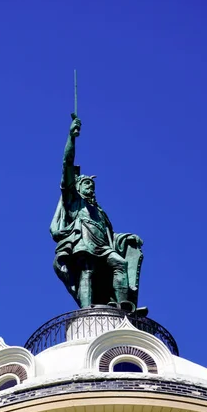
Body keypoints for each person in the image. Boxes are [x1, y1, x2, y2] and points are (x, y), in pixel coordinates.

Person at [50, 116, 143, 310]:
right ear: (77, 187)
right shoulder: (74, 201)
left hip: (103, 247)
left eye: (92, 186)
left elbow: (111, 236)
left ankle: (121, 304)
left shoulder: (100, 212)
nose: (90, 189)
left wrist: (126, 238)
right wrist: (71, 137)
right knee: (87, 271)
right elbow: (67, 163)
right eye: (86, 185)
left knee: (120, 263)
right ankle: (86, 311)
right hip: (83, 243)